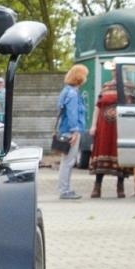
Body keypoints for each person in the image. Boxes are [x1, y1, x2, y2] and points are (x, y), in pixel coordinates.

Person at [88, 77, 126, 197]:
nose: (114, 71)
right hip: (103, 127)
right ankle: (97, 186)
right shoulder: (105, 86)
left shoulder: (129, 87)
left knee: (120, 154)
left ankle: (120, 186)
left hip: (120, 127)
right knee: (102, 151)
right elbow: (97, 107)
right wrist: (93, 125)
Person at [55, 65, 87, 200]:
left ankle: (65, 189)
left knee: (66, 161)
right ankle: (64, 190)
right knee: (68, 161)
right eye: (85, 75)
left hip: (65, 129)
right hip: (70, 130)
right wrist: (75, 131)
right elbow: (72, 113)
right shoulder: (73, 94)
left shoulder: (66, 91)